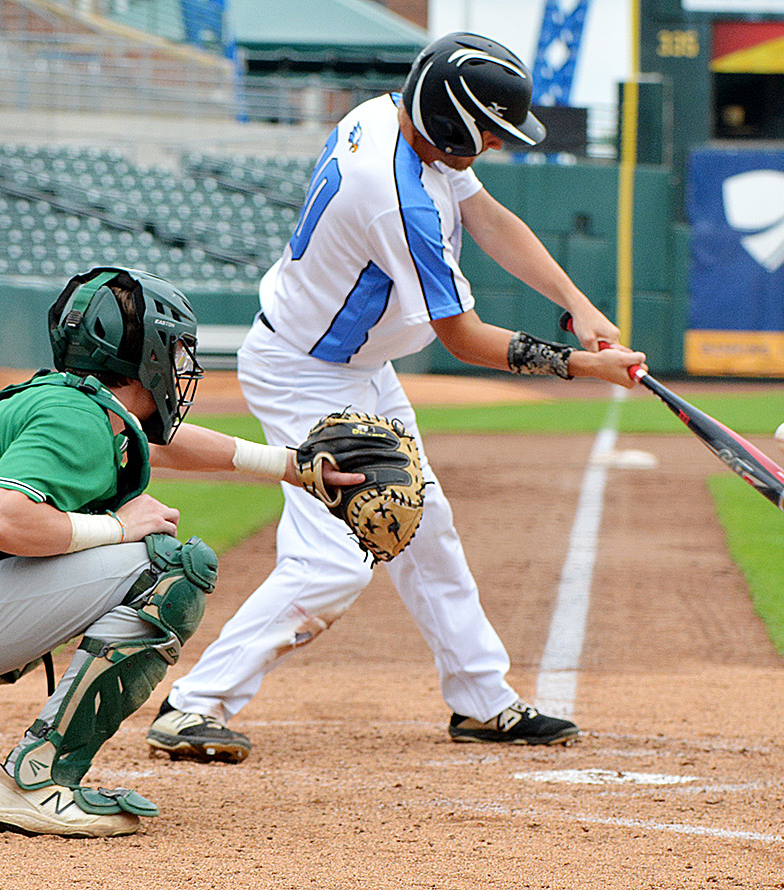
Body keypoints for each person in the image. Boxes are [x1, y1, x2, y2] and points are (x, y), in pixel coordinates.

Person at [147, 32, 646, 765]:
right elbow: (464, 339)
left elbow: (491, 219)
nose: (496, 147)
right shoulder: (396, 199)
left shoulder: (395, 117)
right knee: (336, 561)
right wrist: (581, 366)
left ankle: (482, 701)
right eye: (489, 133)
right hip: (306, 374)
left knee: (427, 523)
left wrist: (578, 303)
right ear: (449, 120)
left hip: (359, 369)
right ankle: (195, 704)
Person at [0, 266, 361, 837]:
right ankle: (36, 780)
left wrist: (292, 465)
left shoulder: (67, 404)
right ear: (148, 356)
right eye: (175, 350)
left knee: (44, 600)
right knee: (169, 567)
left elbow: (160, 446)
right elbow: (1, 521)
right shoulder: (78, 419)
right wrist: (117, 526)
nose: (182, 367)